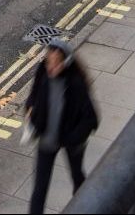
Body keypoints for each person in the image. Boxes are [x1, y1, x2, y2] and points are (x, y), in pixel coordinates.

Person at [25, 38, 98, 215]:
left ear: (66, 62)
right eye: (49, 61)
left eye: (56, 63)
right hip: (47, 139)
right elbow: (33, 96)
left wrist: (73, 138)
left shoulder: (76, 83)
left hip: (71, 141)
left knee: (77, 177)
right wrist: (31, 112)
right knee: (39, 189)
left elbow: (92, 119)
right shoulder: (42, 72)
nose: (51, 67)